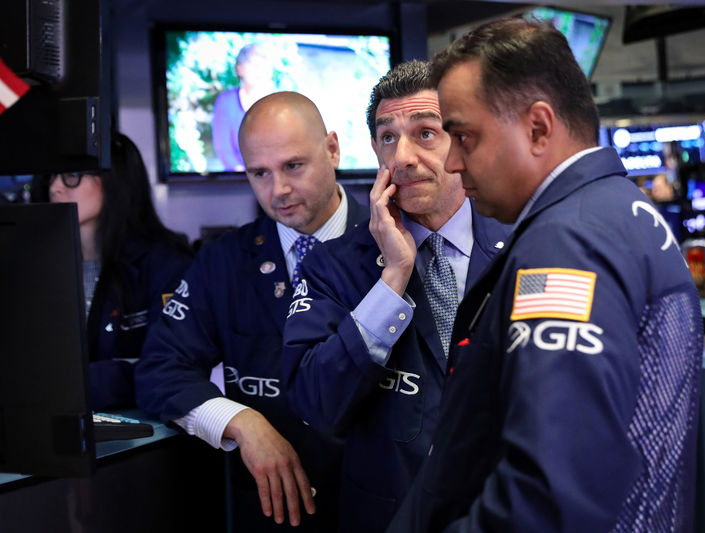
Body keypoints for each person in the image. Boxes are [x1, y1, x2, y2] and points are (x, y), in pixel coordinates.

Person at [387, 18, 704, 533]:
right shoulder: (620, 209)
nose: (451, 159)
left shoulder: (567, 244)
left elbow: (551, 495)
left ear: (537, 127)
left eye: (463, 136)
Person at [282, 60, 508, 533]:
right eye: (388, 137)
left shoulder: (522, 242)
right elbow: (315, 404)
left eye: (425, 133)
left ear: (461, 141)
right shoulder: (334, 264)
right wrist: (395, 276)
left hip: (504, 509)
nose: (402, 156)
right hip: (392, 515)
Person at [136, 91, 368, 532]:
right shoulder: (225, 261)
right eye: (259, 173)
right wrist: (241, 421)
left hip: (377, 507)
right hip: (269, 512)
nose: (277, 190)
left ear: (333, 149)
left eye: (293, 166)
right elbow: (159, 371)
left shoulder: (391, 245)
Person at [36, 133, 193, 410]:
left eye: (72, 175)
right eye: (51, 176)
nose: (55, 187)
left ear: (115, 180)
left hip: (139, 430)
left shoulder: (164, 263)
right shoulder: (39, 263)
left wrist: (56, 384)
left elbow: (168, 369)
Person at [212, 43, 277, 171]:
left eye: (262, 65)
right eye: (253, 64)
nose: (258, 70)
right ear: (239, 69)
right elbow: (223, 148)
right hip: (235, 181)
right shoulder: (226, 101)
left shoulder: (278, 102)